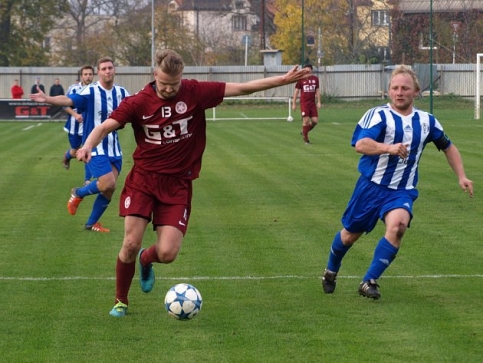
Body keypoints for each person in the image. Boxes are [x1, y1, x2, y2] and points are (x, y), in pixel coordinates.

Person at [74, 49, 311, 317]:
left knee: (167, 253)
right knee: (130, 242)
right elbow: (104, 126)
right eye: (163, 83)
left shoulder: (194, 92)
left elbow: (243, 88)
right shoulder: (139, 102)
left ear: (182, 77)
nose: (167, 88)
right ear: (155, 75)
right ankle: (121, 300)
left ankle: (145, 259)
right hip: (144, 180)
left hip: (178, 184)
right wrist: (87, 146)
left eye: (173, 84)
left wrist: (282, 80)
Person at [321, 65, 473, 300]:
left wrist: (461, 176)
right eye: (395, 88)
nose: (399, 92)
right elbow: (361, 145)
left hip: (402, 190)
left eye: (405, 88)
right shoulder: (378, 115)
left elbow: (447, 146)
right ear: (389, 91)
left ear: (416, 92)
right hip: (371, 187)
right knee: (350, 235)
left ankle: (369, 280)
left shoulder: (427, 121)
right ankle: (331, 270)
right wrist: (388, 148)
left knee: (398, 227)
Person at [30, 57, 130, 233]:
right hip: (95, 147)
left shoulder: (121, 92)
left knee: (109, 189)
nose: (107, 71)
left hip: (114, 147)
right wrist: (47, 98)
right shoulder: (90, 92)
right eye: (104, 69)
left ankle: (91, 224)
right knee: (107, 183)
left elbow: (137, 104)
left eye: (110, 68)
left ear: (114, 70)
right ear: (98, 72)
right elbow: (67, 100)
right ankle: (78, 192)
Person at [62, 65, 95, 185]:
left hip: (90, 127)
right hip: (74, 127)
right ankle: (67, 156)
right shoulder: (73, 89)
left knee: (89, 150)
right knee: (75, 150)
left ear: (93, 75)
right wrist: (75, 115)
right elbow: (65, 105)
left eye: (90, 74)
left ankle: (87, 179)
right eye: (85, 74)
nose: (88, 76)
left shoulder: (96, 89)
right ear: (81, 76)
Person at [292, 63, 321, 144]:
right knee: (306, 121)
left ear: (311, 70)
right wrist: (294, 103)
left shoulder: (315, 79)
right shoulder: (300, 79)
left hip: (312, 103)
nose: (307, 71)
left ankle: (304, 131)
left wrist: (319, 101)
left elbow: (317, 90)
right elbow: (296, 91)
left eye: (309, 69)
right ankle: (306, 140)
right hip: (304, 103)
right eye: (305, 69)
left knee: (315, 121)